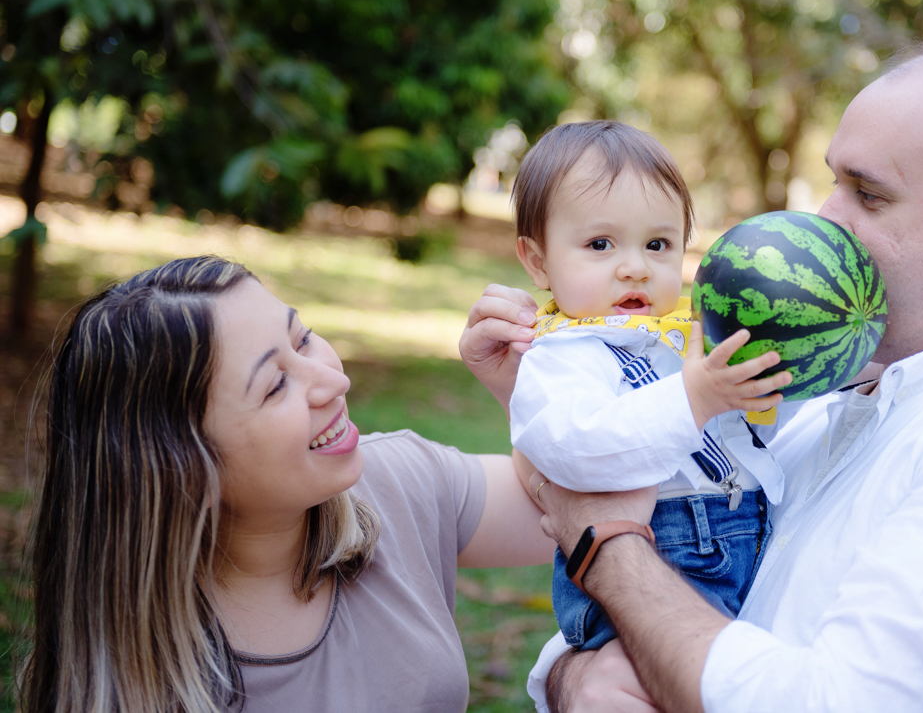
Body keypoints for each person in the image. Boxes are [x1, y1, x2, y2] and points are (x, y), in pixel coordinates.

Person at [458, 39, 923, 712]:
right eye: (835, 181)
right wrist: (569, 674)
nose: (826, 215)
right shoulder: (819, 390)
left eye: (869, 195)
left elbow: (829, 701)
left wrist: (607, 552)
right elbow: (650, 518)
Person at [22, 255, 553, 713]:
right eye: (276, 384)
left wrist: (520, 393)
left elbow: (556, 514)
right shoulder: (141, 687)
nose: (334, 381)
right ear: (180, 466)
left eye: (303, 338)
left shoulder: (398, 479)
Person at [507, 120, 793, 652]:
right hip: (661, 554)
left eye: (658, 244)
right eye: (600, 244)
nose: (635, 268)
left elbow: (756, 427)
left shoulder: (684, 335)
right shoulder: (559, 357)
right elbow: (579, 447)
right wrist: (694, 398)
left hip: (741, 540)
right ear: (538, 260)